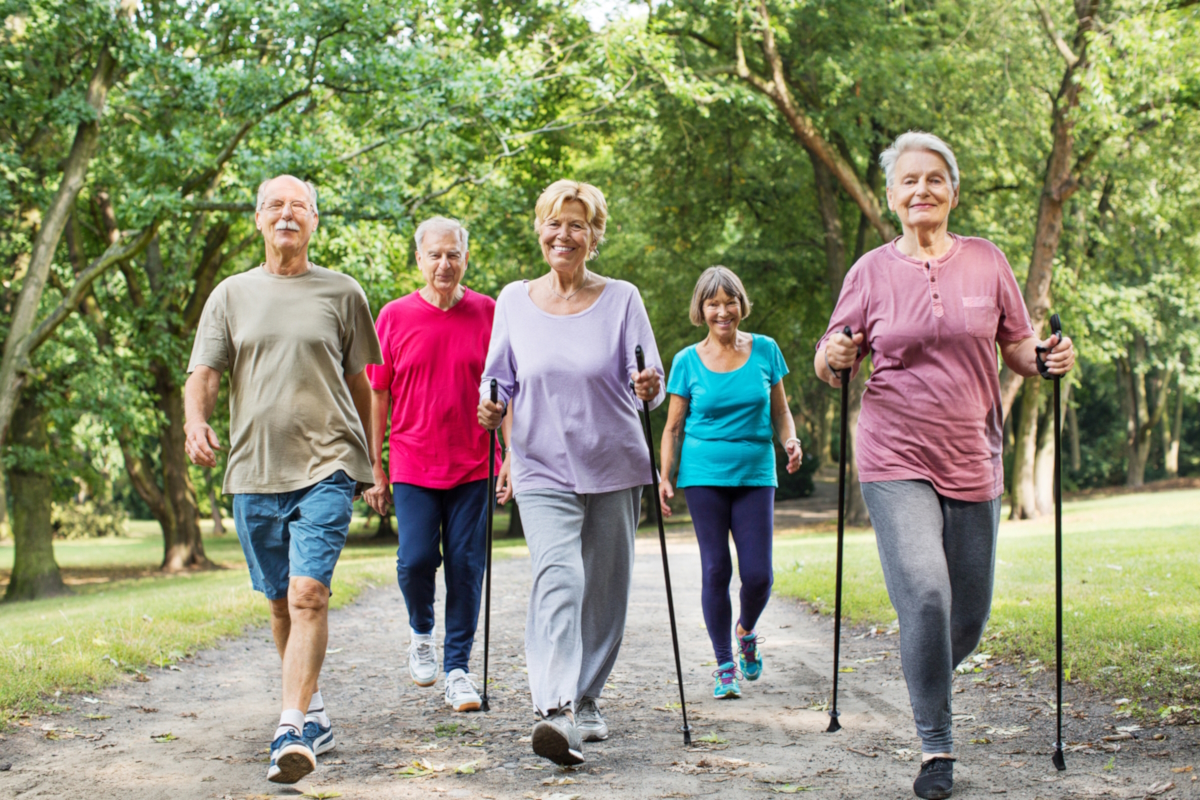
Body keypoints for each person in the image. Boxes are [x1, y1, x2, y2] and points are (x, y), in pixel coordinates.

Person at [814, 131, 1075, 800]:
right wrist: (833, 358)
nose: (922, 190)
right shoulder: (869, 271)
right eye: (909, 180)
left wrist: (1047, 359)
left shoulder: (987, 262)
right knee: (926, 594)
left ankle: (920, 665)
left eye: (935, 179)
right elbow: (831, 352)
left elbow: (1018, 348)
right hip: (893, 452)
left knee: (967, 614)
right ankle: (937, 747)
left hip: (973, 453)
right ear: (891, 196)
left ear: (953, 192)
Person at [184, 175, 381, 785]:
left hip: (328, 462)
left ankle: (291, 724)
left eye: (300, 206)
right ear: (259, 219)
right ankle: (314, 707)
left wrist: (371, 461)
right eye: (276, 205)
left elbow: (362, 385)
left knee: (307, 595)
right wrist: (195, 422)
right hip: (254, 466)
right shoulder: (230, 294)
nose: (287, 214)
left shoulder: (343, 292)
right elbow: (206, 371)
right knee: (278, 601)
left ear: (315, 221)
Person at [477, 179, 664, 766]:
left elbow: (650, 381)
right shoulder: (512, 300)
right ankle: (555, 709)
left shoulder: (623, 298)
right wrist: (490, 407)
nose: (565, 234)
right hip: (540, 463)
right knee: (560, 577)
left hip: (613, 461)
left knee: (605, 591)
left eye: (578, 225)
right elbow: (498, 380)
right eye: (555, 223)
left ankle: (586, 698)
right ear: (539, 229)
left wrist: (649, 387)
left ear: (595, 236)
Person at [361, 216, 500, 713]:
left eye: (454, 254)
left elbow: (507, 389)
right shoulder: (394, 316)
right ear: (419, 259)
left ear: (466, 257)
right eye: (435, 255)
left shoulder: (489, 312)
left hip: (474, 462)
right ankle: (422, 631)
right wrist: (372, 466)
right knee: (415, 559)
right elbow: (378, 394)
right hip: (413, 460)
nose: (445, 264)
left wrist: (511, 455)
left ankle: (458, 668)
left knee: (466, 565)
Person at [658, 266, 802, 700]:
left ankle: (746, 630)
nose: (723, 311)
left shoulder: (766, 350)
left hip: (756, 472)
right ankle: (724, 663)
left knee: (759, 575)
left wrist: (790, 440)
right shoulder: (686, 360)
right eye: (713, 303)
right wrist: (665, 476)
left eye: (730, 301)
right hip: (703, 476)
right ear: (701, 310)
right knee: (716, 567)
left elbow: (779, 411)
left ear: (742, 304)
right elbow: (672, 427)